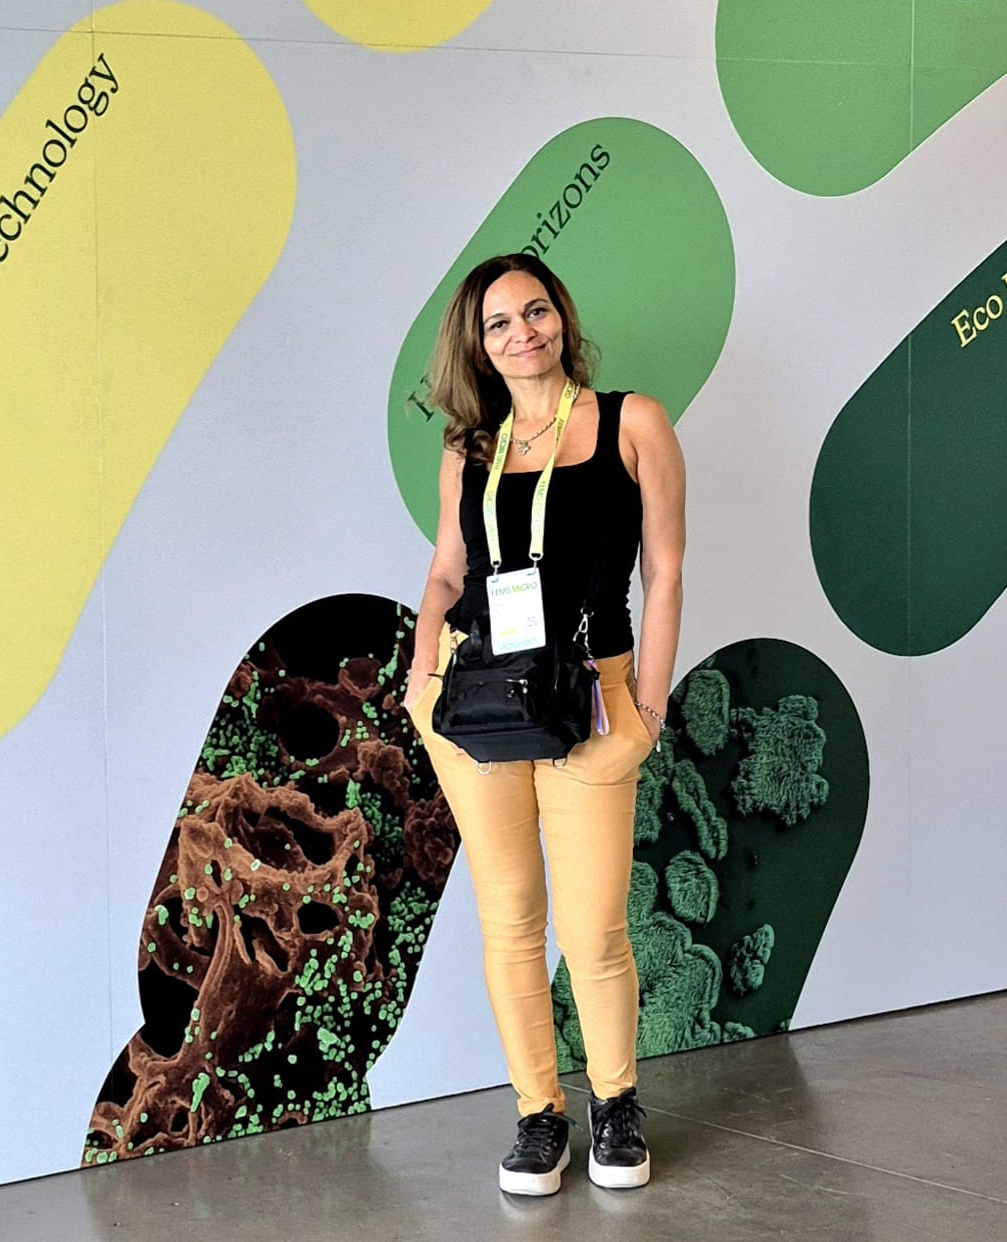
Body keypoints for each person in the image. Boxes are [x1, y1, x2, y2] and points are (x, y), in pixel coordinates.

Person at [403, 253, 685, 1195]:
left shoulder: (632, 422)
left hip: (594, 698)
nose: (522, 332)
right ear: (477, 346)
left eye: (535, 311)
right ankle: (538, 1115)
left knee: (595, 926)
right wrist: (420, 675)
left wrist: (648, 704)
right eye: (499, 323)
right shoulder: (468, 447)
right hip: (477, 700)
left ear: (561, 315)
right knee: (510, 918)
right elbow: (448, 572)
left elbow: (665, 569)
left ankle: (616, 1105)